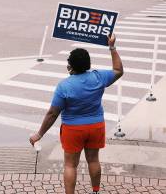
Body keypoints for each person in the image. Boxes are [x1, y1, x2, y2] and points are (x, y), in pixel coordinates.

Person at [29, 34, 123, 194]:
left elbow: (52, 114)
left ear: (70, 66)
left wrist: (39, 134)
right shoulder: (98, 77)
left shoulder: (64, 86)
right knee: (93, 160)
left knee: (70, 165)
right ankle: (95, 191)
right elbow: (118, 70)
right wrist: (112, 47)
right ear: (88, 64)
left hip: (73, 129)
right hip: (96, 126)